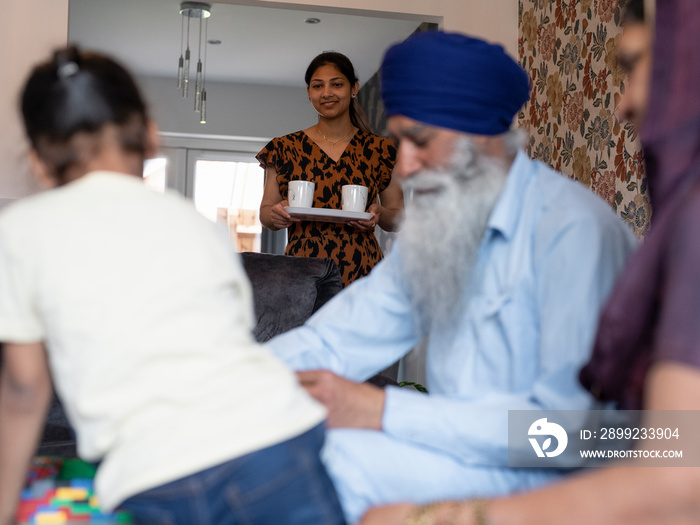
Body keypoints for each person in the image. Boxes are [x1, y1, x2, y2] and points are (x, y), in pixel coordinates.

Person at [266, 30, 637, 524]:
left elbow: (570, 432)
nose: (406, 164)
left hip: (553, 474)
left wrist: (381, 412)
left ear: (481, 135)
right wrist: (234, 381)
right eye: (399, 141)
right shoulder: (439, 229)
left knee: (320, 469)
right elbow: (338, 340)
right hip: (454, 451)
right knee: (267, 445)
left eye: (419, 141)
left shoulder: (572, 230)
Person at [361, 1, 700, 523]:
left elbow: (633, 455)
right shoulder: (434, 232)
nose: (622, 104)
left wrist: (446, 513)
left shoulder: (576, 228)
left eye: (634, 65)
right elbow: (676, 441)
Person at [0, 47, 345, 525]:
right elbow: (233, 336)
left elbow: (22, 388)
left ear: (38, 162)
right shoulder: (197, 225)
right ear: (151, 137)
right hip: (280, 439)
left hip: (159, 472)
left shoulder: (22, 230)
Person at [257, 51, 404, 287]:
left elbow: (398, 217)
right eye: (317, 86)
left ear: (354, 88)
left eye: (336, 84)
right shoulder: (284, 147)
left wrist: (379, 214)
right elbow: (265, 213)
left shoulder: (381, 150)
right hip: (301, 272)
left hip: (362, 272)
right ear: (309, 93)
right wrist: (275, 215)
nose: (327, 93)